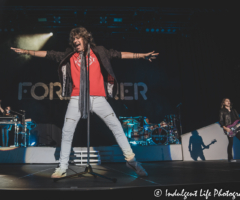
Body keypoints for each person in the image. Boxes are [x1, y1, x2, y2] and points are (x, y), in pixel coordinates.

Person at [11, 27, 159, 178]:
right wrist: (27, 51)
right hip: (76, 98)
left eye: (78, 38)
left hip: (98, 98)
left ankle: (132, 161)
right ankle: (62, 167)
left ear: (86, 38)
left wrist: (141, 55)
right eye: (73, 39)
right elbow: (49, 54)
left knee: (117, 127)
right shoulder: (70, 55)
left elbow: (119, 54)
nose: (75, 41)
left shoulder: (99, 51)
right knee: (67, 132)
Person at [219, 98, 240, 162]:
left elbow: (239, 119)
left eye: (229, 101)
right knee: (231, 142)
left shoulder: (233, 110)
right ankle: (230, 158)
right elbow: (221, 121)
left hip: (236, 127)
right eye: (226, 101)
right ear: (223, 103)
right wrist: (225, 128)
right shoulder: (222, 111)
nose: (228, 102)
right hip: (228, 128)